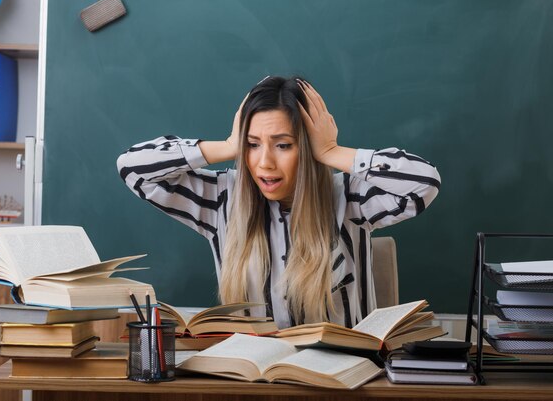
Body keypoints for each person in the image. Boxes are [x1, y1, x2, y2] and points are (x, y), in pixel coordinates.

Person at [117, 76, 440, 329]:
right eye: (253, 145)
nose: (264, 163)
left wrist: (330, 152)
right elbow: (133, 168)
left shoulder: (350, 196)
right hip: (256, 384)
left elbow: (423, 183)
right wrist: (229, 146)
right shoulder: (221, 200)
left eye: (283, 145)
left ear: (308, 147)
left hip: (343, 384)